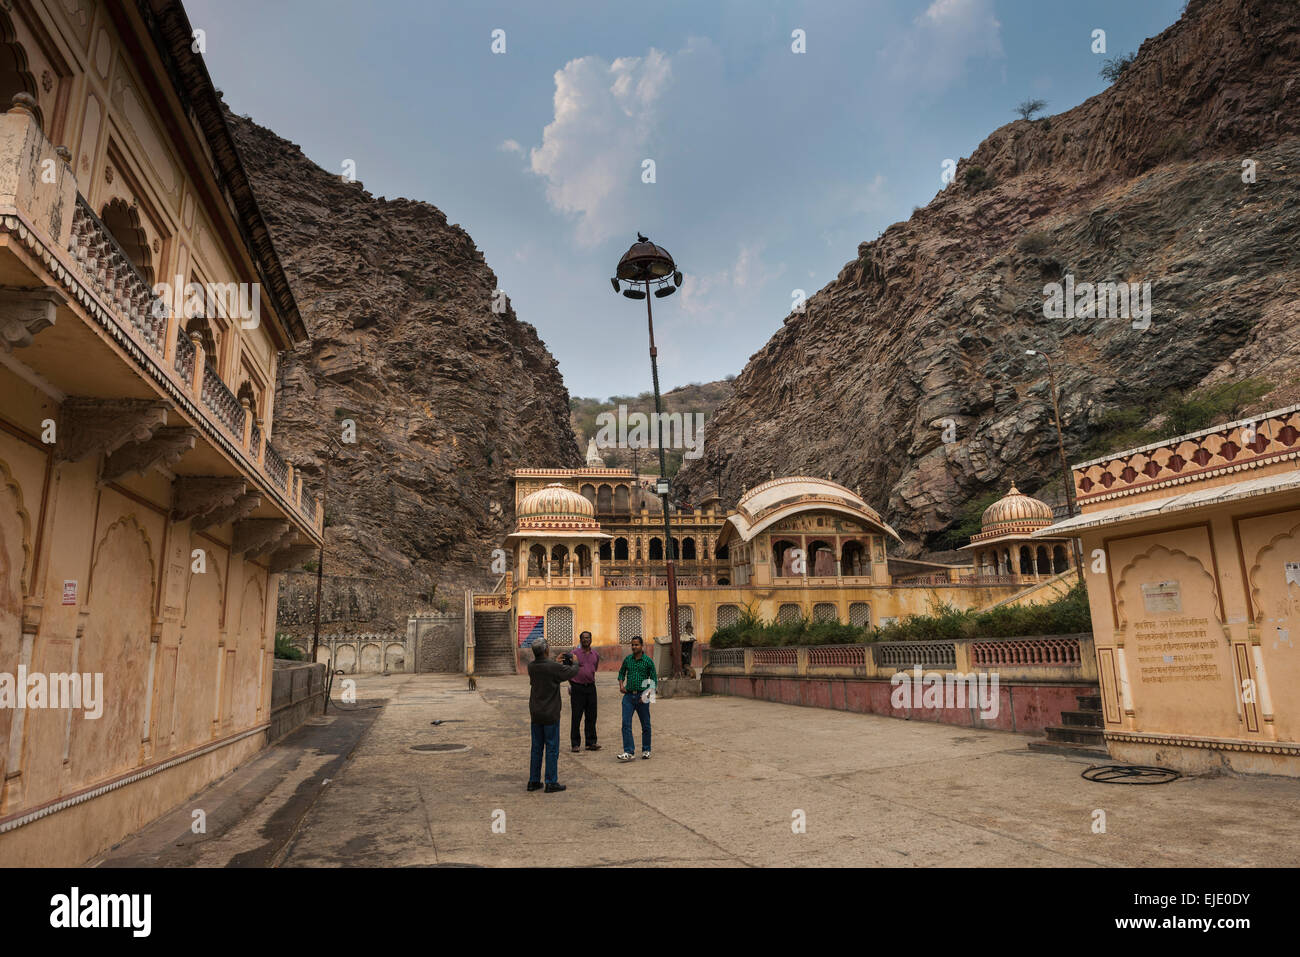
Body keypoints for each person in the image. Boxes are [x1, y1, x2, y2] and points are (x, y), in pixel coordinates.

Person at [526, 638, 579, 792]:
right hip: (550, 713)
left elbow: (548, 670)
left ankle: (533, 780)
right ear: (546, 650)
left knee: (536, 748)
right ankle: (551, 781)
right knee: (551, 747)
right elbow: (572, 672)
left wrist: (554, 662)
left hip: (536, 712)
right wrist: (575, 662)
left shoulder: (531, 666)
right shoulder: (552, 667)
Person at [617, 635, 657, 761]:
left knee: (645, 724)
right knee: (625, 723)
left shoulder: (648, 661)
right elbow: (621, 673)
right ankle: (629, 751)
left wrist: (646, 695)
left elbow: (654, 680)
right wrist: (621, 685)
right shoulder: (628, 660)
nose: (634, 647)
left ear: (641, 646)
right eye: (632, 645)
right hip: (628, 696)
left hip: (643, 696)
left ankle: (646, 749)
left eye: (636, 645)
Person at [569, 630, 601, 753]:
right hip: (577, 688)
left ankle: (591, 742)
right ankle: (575, 743)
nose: (586, 640)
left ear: (591, 639)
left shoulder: (595, 655)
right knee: (576, 716)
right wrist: (571, 683)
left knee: (592, 716)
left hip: (591, 688)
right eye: (584, 638)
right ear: (580, 640)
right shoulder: (574, 654)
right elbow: (567, 669)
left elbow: (595, 668)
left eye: (588, 638)